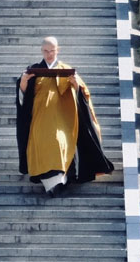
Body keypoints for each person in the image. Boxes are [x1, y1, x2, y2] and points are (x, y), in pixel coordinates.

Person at [15, 36, 114, 196]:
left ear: (57, 50)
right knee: (42, 144)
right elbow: (23, 99)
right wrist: (23, 83)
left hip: (63, 119)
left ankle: (61, 181)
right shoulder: (33, 71)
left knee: (60, 141)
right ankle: (52, 184)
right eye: (46, 51)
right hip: (39, 120)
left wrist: (75, 84)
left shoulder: (67, 70)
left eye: (52, 51)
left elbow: (83, 95)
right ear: (41, 51)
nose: (49, 55)